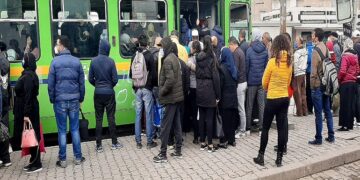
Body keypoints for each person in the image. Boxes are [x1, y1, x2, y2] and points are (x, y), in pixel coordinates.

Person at [253, 34, 292, 167]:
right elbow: (288, 81)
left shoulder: (272, 62)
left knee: (265, 128)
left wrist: (270, 88)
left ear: (275, 46)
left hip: (272, 98)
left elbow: (264, 82)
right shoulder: (289, 62)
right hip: (284, 98)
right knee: (281, 129)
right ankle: (279, 159)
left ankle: (261, 156)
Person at [48, 35, 86, 168]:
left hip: (60, 101)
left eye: (57, 44)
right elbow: (82, 83)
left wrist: (52, 99)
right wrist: (80, 98)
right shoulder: (76, 61)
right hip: (74, 100)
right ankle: (78, 157)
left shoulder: (55, 62)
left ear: (62, 45)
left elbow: (50, 84)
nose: (56, 46)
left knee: (62, 130)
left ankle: (63, 160)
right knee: (75, 129)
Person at [153, 37, 184, 163]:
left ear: (166, 46)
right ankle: (178, 150)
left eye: (162, 47)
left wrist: (161, 91)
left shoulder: (167, 60)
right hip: (177, 97)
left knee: (165, 126)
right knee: (177, 124)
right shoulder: (175, 58)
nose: (161, 49)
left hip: (170, 98)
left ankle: (163, 153)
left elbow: (170, 80)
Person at [89, 40, 122, 152]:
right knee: (111, 118)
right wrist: (109, 87)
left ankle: (99, 146)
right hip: (109, 93)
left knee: (98, 119)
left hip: (98, 93)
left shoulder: (93, 61)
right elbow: (115, 79)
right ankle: (114, 143)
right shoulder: (111, 61)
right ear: (108, 49)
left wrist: (97, 85)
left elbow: (90, 79)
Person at [14, 53, 42, 173]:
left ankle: (37, 163)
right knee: (29, 134)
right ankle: (33, 161)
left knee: (32, 135)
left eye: (24, 60)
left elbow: (29, 96)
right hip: (27, 109)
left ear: (27, 62)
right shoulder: (28, 74)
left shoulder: (29, 77)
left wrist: (26, 114)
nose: (22, 62)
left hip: (29, 111)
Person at [129, 34, 157, 149]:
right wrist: (151, 86)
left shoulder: (133, 56)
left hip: (137, 88)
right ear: (147, 44)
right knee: (148, 114)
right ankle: (149, 142)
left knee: (138, 114)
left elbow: (131, 74)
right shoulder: (150, 55)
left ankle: (138, 142)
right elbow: (154, 75)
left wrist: (136, 86)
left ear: (139, 43)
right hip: (147, 88)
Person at [308, 28, 335, 145]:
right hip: (326, 84)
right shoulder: (325, 47)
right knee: (328, 110)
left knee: (318, 113)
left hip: (318, 85)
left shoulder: (315, 51)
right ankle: (331, 136)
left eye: (313, 34)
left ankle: (318, 138)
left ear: (316, 36)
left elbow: (313, 72)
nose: (311, 36)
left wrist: (312, 86)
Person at [196, 35, 221, 153]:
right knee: (210, 118)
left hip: (200, 89)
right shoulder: (212, 58)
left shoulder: (198, 57)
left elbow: (196, 74)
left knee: (201, 118)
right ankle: (210, 144)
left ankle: (202, 143)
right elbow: (216, 78)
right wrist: (218, 95)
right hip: (210, 90)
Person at [245, 28, 268, 135]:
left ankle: (248, 128)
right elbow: (266, 67)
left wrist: (246, 79)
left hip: (251, 82)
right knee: (261, 105)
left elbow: (246, 67)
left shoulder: (249, 50)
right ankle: (261, 128)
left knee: (249, 105)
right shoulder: (265, 50)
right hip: (261, 82)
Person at [218, 47, 238, 147]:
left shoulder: (221, 68)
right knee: (231, 120)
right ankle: (232, 140)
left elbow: (220, 85)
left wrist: (218, 97)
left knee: (225, 120)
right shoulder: (233, 68)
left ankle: (224, 141)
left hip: (225, 99)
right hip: (233, 98)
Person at [338, 38, 359, 131]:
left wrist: (339, 79)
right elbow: (358, 70)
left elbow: (342, 70)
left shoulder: (345, 56)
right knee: (351, 104)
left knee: (344, 104)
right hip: (353, 83)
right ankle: (349, 125)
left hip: (345, 83)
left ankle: (344, 125)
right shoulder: (355, 55)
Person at [228, 37, 247, 138]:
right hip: (243, 82)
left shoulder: (236, 53)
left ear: (232, 44)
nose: (229, 48)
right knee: (241, 107)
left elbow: (235, 70)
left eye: (229, 45)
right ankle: (241, 128)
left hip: (239, 83)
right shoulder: (241, 51)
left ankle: (242, 130)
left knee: (240, 108)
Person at [186, 41, 201, 144]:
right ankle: (201, 134)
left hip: (192, 87)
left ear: (194, 49)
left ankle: (196, 136)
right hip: (200, 87)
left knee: (195, 112)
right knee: (201, 112)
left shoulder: (190, 59)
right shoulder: (201, 57)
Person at [293, 36, 308, 116]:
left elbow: (295, 64)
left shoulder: (296, 53)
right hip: (303, 72)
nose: (295, 42)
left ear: (299, 42)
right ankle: (305, 111)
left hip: (297, 73)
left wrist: (294, 73)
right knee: (303, 93)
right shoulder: (305, 51)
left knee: (297, 93)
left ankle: (299, 112)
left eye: (296, 41)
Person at [306, 35, 314, 114]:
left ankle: (309, 109)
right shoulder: (314, 48)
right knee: (312, 90)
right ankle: (312, 108)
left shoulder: (308, 49)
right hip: (314, 72)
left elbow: (308, 60)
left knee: (308, 91)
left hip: (308, 72)